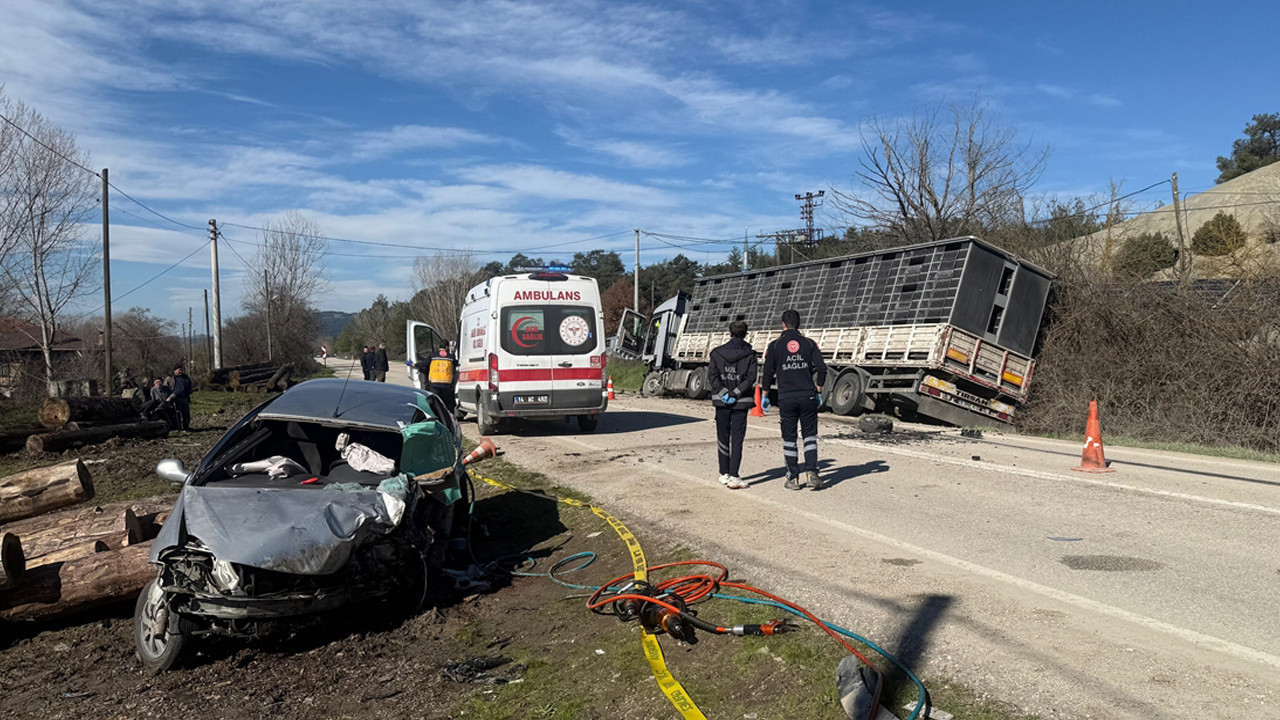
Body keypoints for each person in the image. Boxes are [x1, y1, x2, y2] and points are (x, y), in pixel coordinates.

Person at [760, 309, 828, 490]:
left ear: (782, 324)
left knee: (789, 439)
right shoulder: (809, 343)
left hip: (786, 398)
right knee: (809, 437)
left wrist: (765, 395)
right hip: (807, 395)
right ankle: (812, 474)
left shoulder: (774, 346)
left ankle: (793, 478)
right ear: (799, 324)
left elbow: (767, 373)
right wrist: (819, 389)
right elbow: (822, 369)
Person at [708, 320, 757, 490]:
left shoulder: (716, 353)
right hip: (741, 402)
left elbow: (712, 377)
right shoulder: (750, 355)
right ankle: (735, 475)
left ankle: (724, 473)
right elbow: (751, 378)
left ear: (729, 334)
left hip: (722, 402)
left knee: (722, 436)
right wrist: (735, 393)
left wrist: (723, 393)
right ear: (746, 334)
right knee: (737, 438)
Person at [418, 343, 458, 412]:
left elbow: (424, 364)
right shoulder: (450, 357)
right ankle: (446, 417)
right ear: (447, 347)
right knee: (446, 403)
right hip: (446, 383)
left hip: (434, 383)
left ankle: (435, 415)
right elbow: (456, 364)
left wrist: (415, 364)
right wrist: (453, 353)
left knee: (434, 401)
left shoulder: (433, 355)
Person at [166, 364, 194, 431]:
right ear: (175, 371)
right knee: (177, 413)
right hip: (176, 398)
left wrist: (190, 391)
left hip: (185, 397)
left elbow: (189, 385)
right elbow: (166, 388)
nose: (180, 371)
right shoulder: (170, 378)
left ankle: (186, 427)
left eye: (181, 369)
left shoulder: (185, 377)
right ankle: (179, 427)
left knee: (186, 414)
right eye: (179, 370)